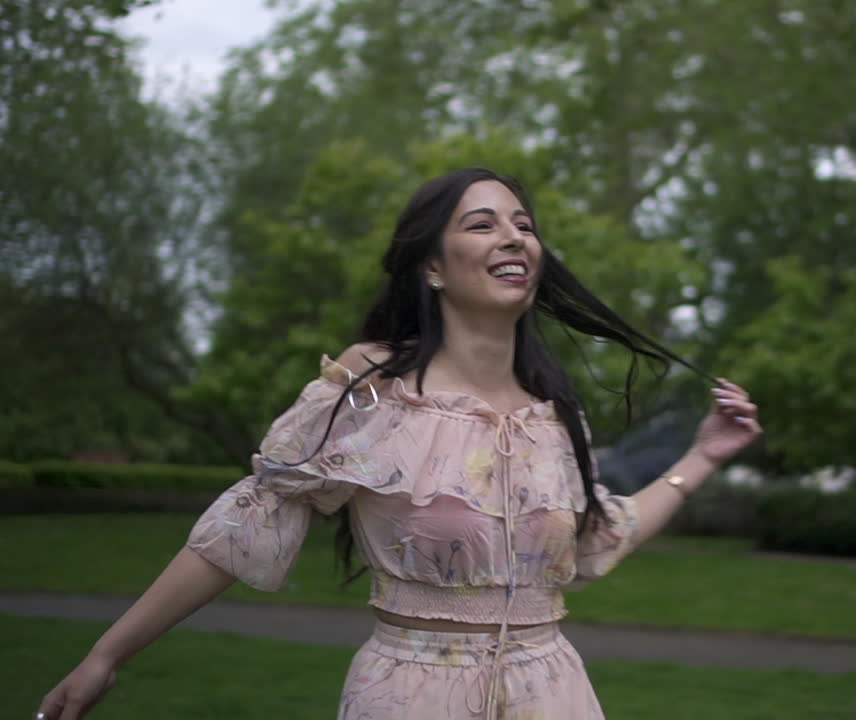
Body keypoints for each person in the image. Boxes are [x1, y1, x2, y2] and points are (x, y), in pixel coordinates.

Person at [36, 168, 763, 719]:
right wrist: (107, 654)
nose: (514, 236)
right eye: (482, 225)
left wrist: (703, 454)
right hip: (412, 695)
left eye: (524, 224)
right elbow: (245, 527)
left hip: (556, 695)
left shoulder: (552, 413)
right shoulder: (371, 388)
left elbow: (600, 540)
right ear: (433, 266)